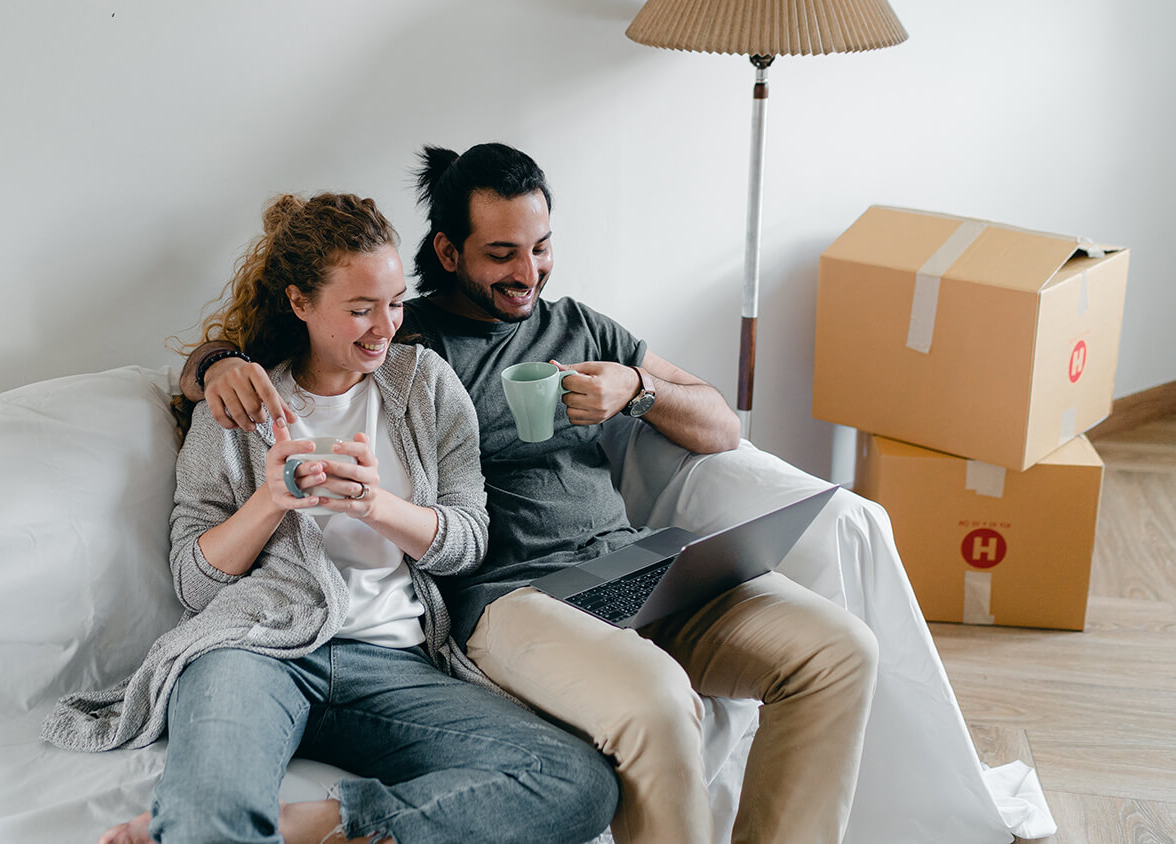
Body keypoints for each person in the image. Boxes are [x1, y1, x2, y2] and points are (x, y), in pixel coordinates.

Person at [182, 145, 880, 844]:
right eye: (501, 254)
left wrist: (638, 391)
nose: (527, 273)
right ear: (450, 253)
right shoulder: (410, 344)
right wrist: (217, 365)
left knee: (840, 650)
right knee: (657, 701)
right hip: (514, 597)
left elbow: (721, 424)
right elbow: (268, 352)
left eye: (541, 248)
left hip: (631, 566)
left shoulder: (580, 326)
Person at [42, 191, 618, 844]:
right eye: (361, 309)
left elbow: (468, 542)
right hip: (255, 652)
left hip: (395, 663)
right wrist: (270, 503)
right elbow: (195, 584)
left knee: (575, 779)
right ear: (301, 304)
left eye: (395, 303)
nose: (384, 327)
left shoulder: (426, 385)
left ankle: (313, 826)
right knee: (207, 822)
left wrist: (377, 505)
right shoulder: (236, 405)